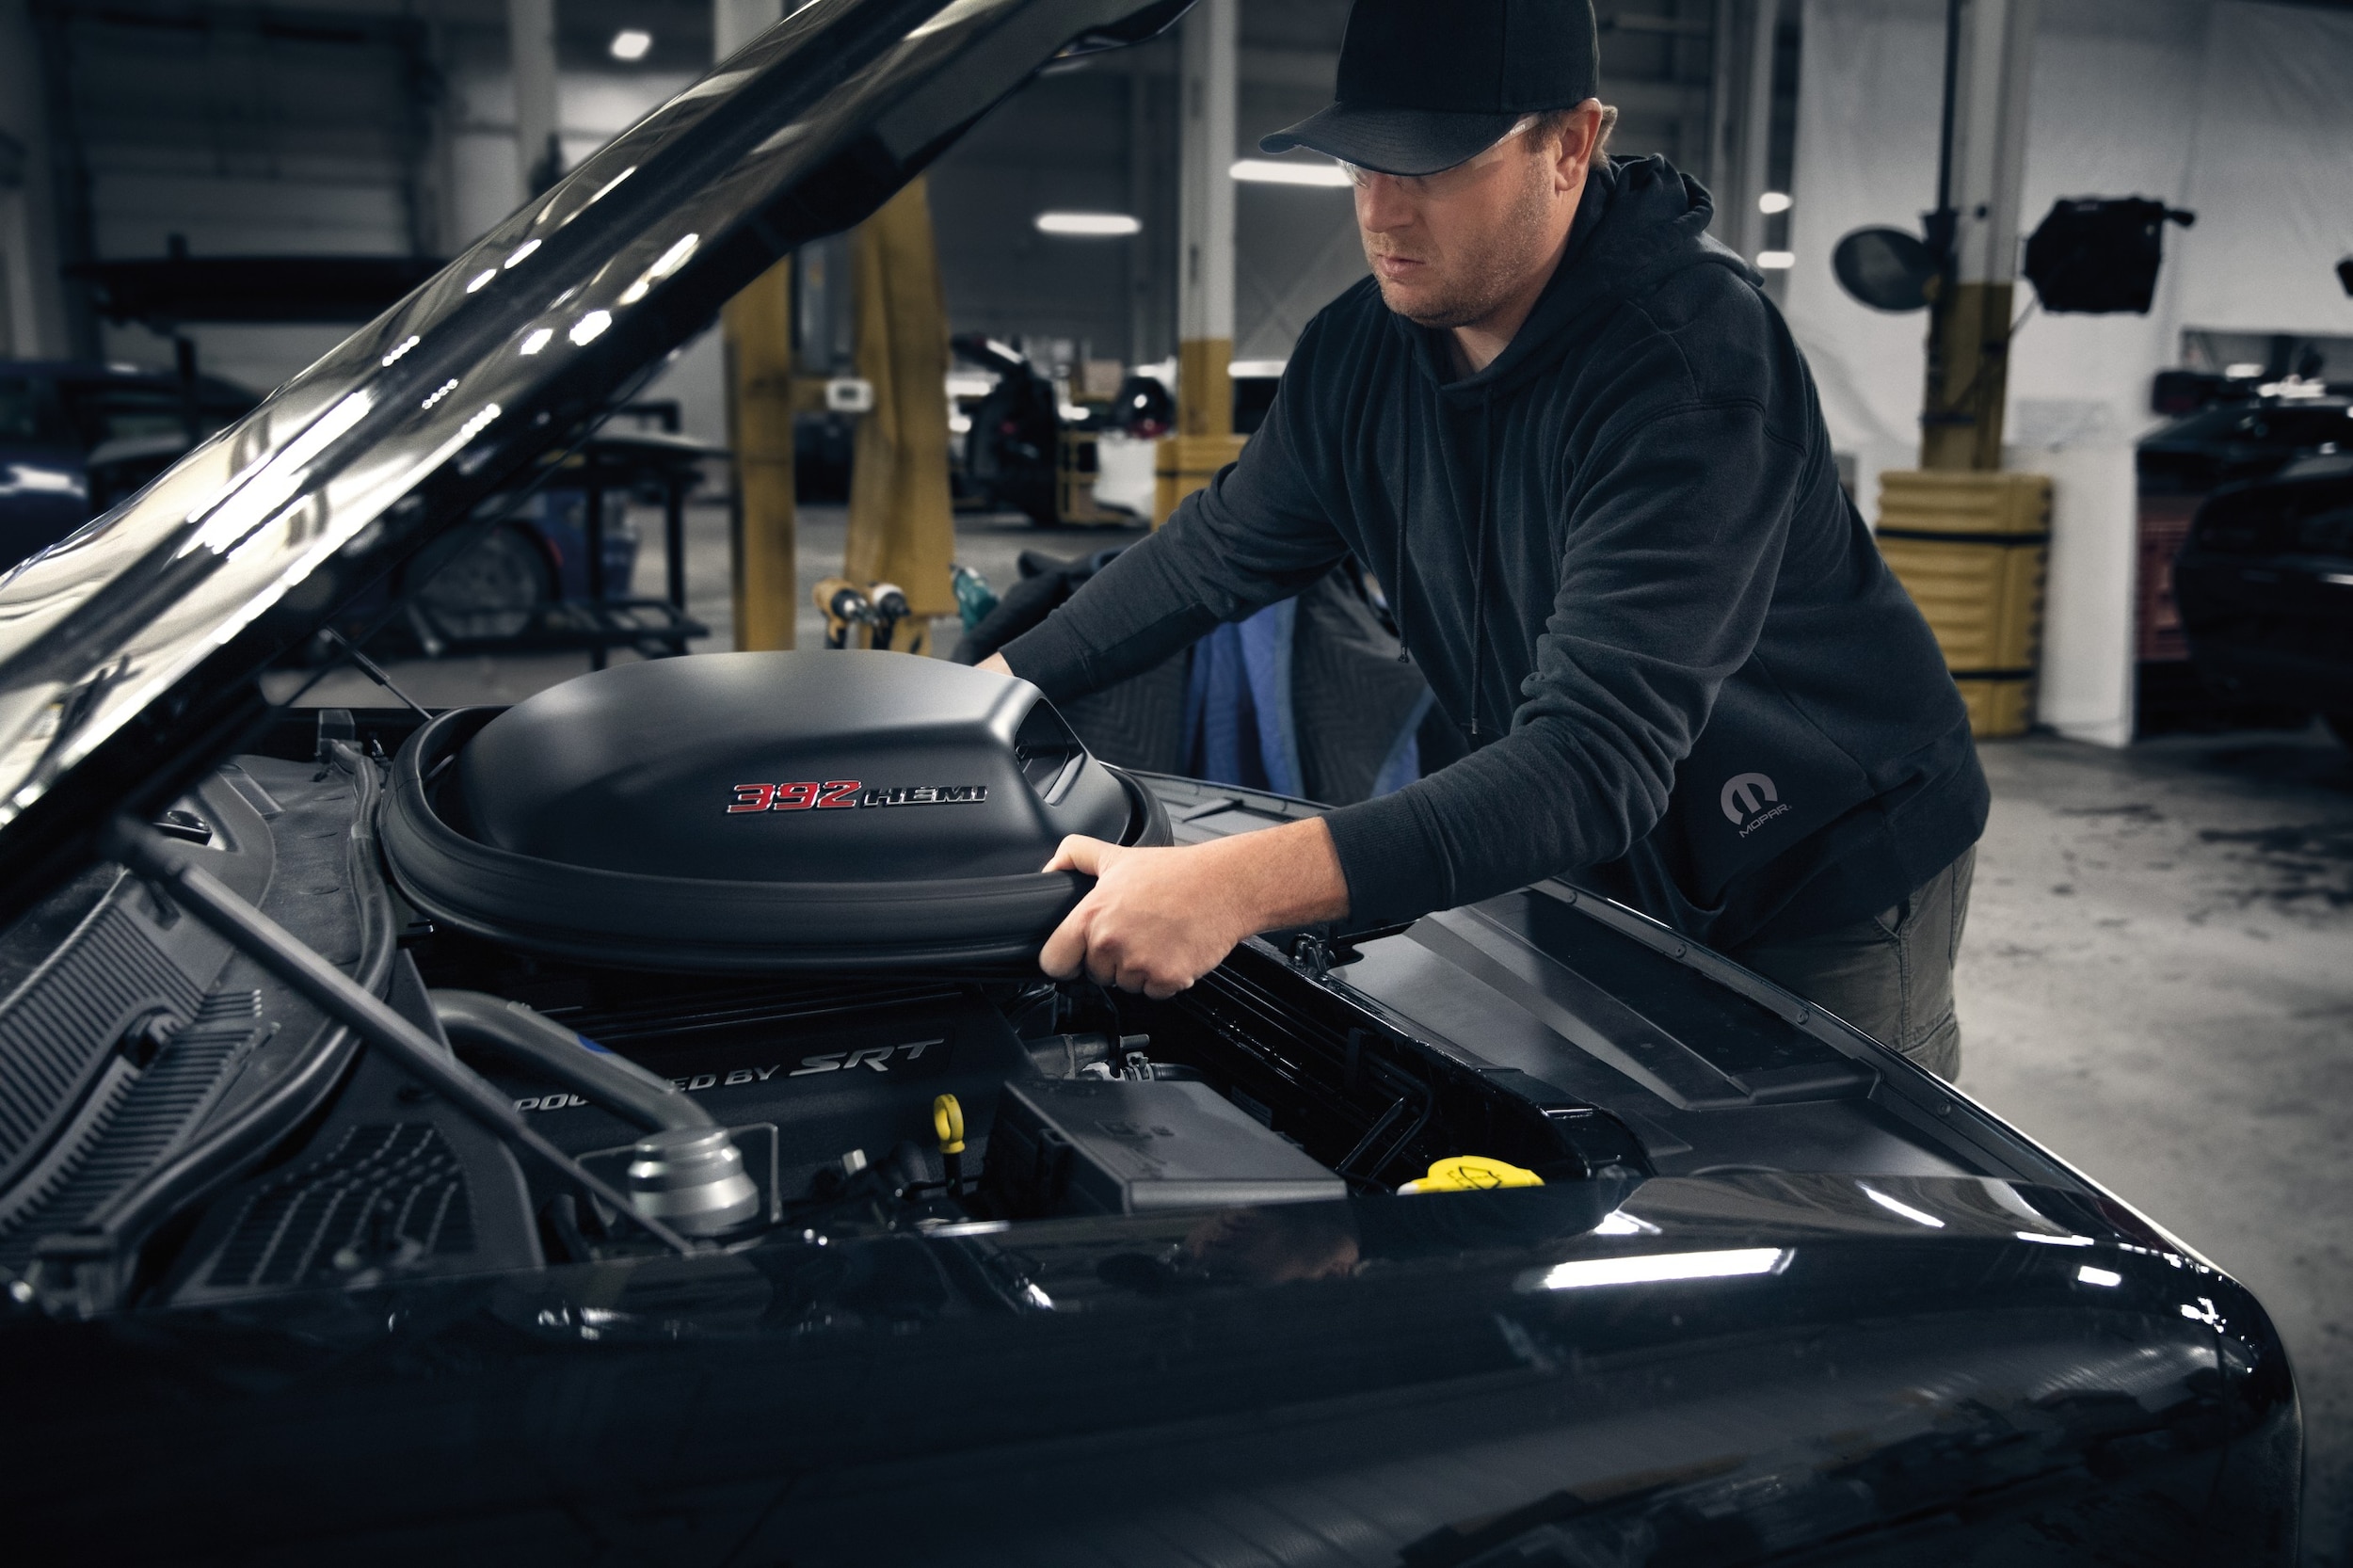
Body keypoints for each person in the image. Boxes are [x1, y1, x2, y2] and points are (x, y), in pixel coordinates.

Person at [979, 0, 1983, 1079]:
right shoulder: (1360, 352)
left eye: (1433, 166)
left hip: (1818, 857)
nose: (1382, 213)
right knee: (1604, 1119)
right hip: (1603, 853)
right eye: (1362, 165)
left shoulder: (1690, 366)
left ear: (1570, 144)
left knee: (1812, 1160)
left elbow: (1592, 761)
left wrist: (1229, 886)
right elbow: (1210, 554)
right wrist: (987, 691)